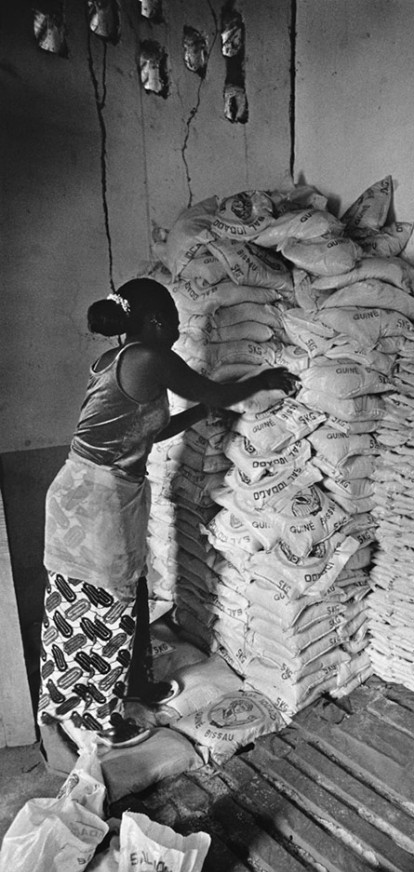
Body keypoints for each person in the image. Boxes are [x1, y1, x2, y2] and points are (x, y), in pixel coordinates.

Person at [37, 277, 298, 747]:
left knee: (129, 592)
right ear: (156, 321)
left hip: (100, 494)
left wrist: (199, 415)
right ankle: (98, 716)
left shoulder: (115, 359)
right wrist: (264, 381)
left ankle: (133, 685)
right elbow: (214, 392)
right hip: (94, 502)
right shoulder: (148, 357)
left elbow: (145, 431)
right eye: (174, 321)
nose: (177, 330)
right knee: (99, 606)